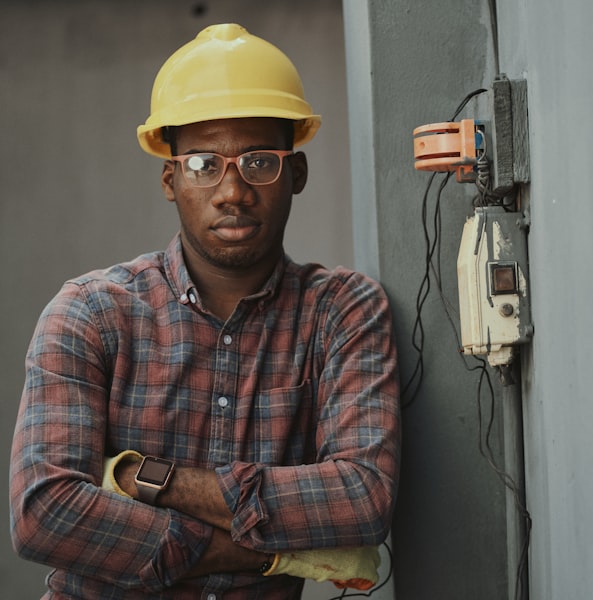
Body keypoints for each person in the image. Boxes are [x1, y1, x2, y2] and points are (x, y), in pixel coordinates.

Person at [9, 23, 400, 600]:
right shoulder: (90, 313)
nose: (233, 191)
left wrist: (151, 481)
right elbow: (44, 513)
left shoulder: (342, 312)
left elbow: (363, 499)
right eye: (202, 165)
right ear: (171, 179)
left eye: (259, 162)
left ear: (297, 174)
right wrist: (266, 553)